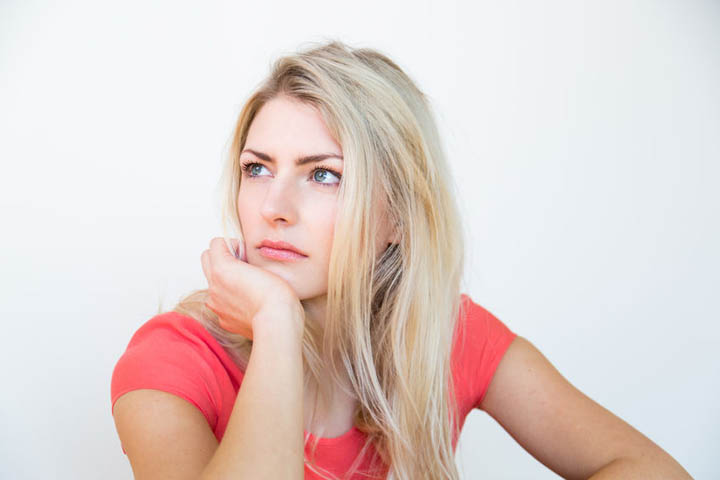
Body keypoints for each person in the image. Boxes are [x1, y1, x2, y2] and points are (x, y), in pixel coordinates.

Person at [110, 40, 691, 479]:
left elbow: (647, 467)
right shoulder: (172, 364)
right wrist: (276, 327)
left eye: (324, 175)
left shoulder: (447, 336)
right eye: (257, 168)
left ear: (396, 217)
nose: (274, 207)